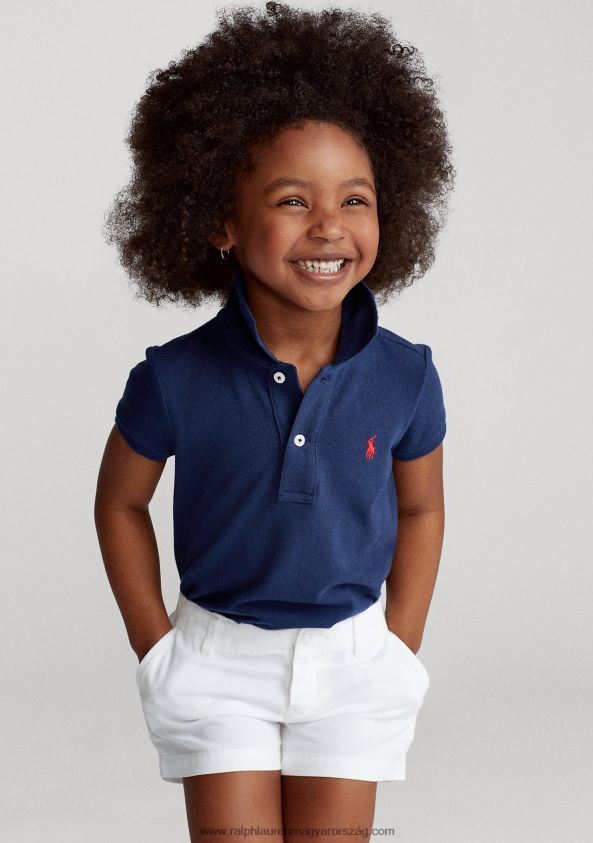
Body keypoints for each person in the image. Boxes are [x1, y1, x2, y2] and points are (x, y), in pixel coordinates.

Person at [94, 2, 454, 839]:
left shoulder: (407, 374)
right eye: (293, 199)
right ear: (220, 219)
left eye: (355, 198)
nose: (329, 225)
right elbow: (119, 503)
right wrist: (157, 648)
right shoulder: (173, 378)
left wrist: (398, 648)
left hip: (356, 665)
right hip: (215, 664)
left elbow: (421, 508)